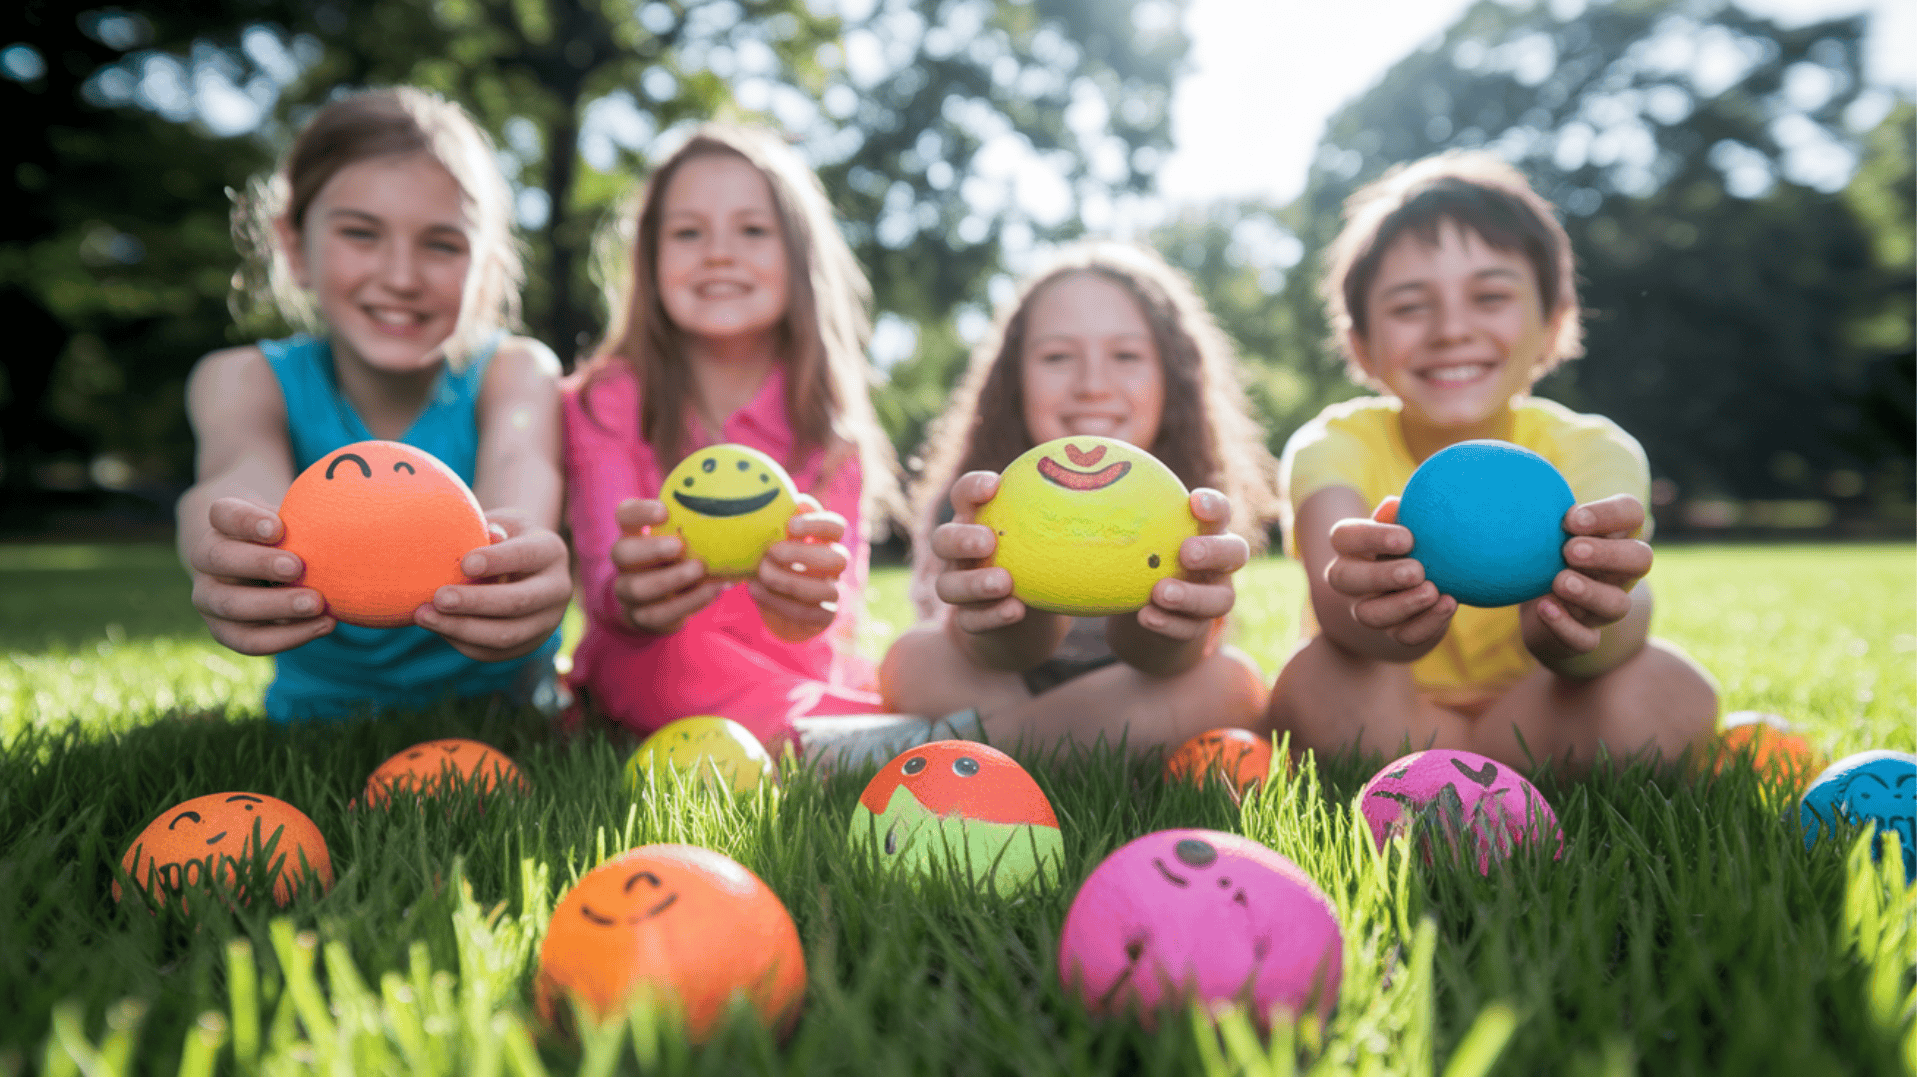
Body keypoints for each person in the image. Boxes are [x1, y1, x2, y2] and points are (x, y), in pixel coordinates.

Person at [1264, 150, 1717, 773]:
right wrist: (1390, 618)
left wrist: (1582, 622)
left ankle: (1465, 768)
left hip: (1540, 710)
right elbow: (1337, 608)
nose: (1451, 329)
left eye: (1490, 296)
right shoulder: (1333, 444)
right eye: (1409, 306)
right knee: (1318, 681)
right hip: (1392, 713)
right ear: (1361, 345)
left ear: (1554, 324)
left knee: (1668, 688)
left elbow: (1615, 621)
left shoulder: (1593, 450)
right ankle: (1484, 773)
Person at [179, 87, 569, 721]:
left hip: (509, 718)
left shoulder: (513, 373)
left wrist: (520, 565)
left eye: (443, 245)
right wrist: (230, 549)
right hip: (317, 726)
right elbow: (233, 481)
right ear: (294, 245)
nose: (402, 276)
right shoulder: (240, 379)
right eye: (361, 234)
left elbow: (518, 494)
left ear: (487, 265)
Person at [563, 124, 902, 752]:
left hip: (795, 674)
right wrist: (636, 595)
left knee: (906, 664)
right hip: (651, 662)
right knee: (673, 658)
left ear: (798, 258)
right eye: (688, 232)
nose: (719, 253)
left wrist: (807, 606)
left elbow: (835, 611)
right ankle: (855, 746)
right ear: (650, 257)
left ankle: (851, 738)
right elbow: (607, 582)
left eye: (752, 230)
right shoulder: (602, 402)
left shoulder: (831, 432)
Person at [875, 242, 1278, 755]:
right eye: (1058, 357)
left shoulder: (1195, 503)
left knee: (1231, 683)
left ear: (1173, 379)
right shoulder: (977, 502)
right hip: (997, 684)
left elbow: (1167, 661)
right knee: (912, 659)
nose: (1092, 385)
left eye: (1126, 355)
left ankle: (966, 751)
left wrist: (1171, 624)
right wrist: (999, 610)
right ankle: (1086, 750)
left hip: (1139, 688)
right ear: (1013, 383)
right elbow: (988, 652)